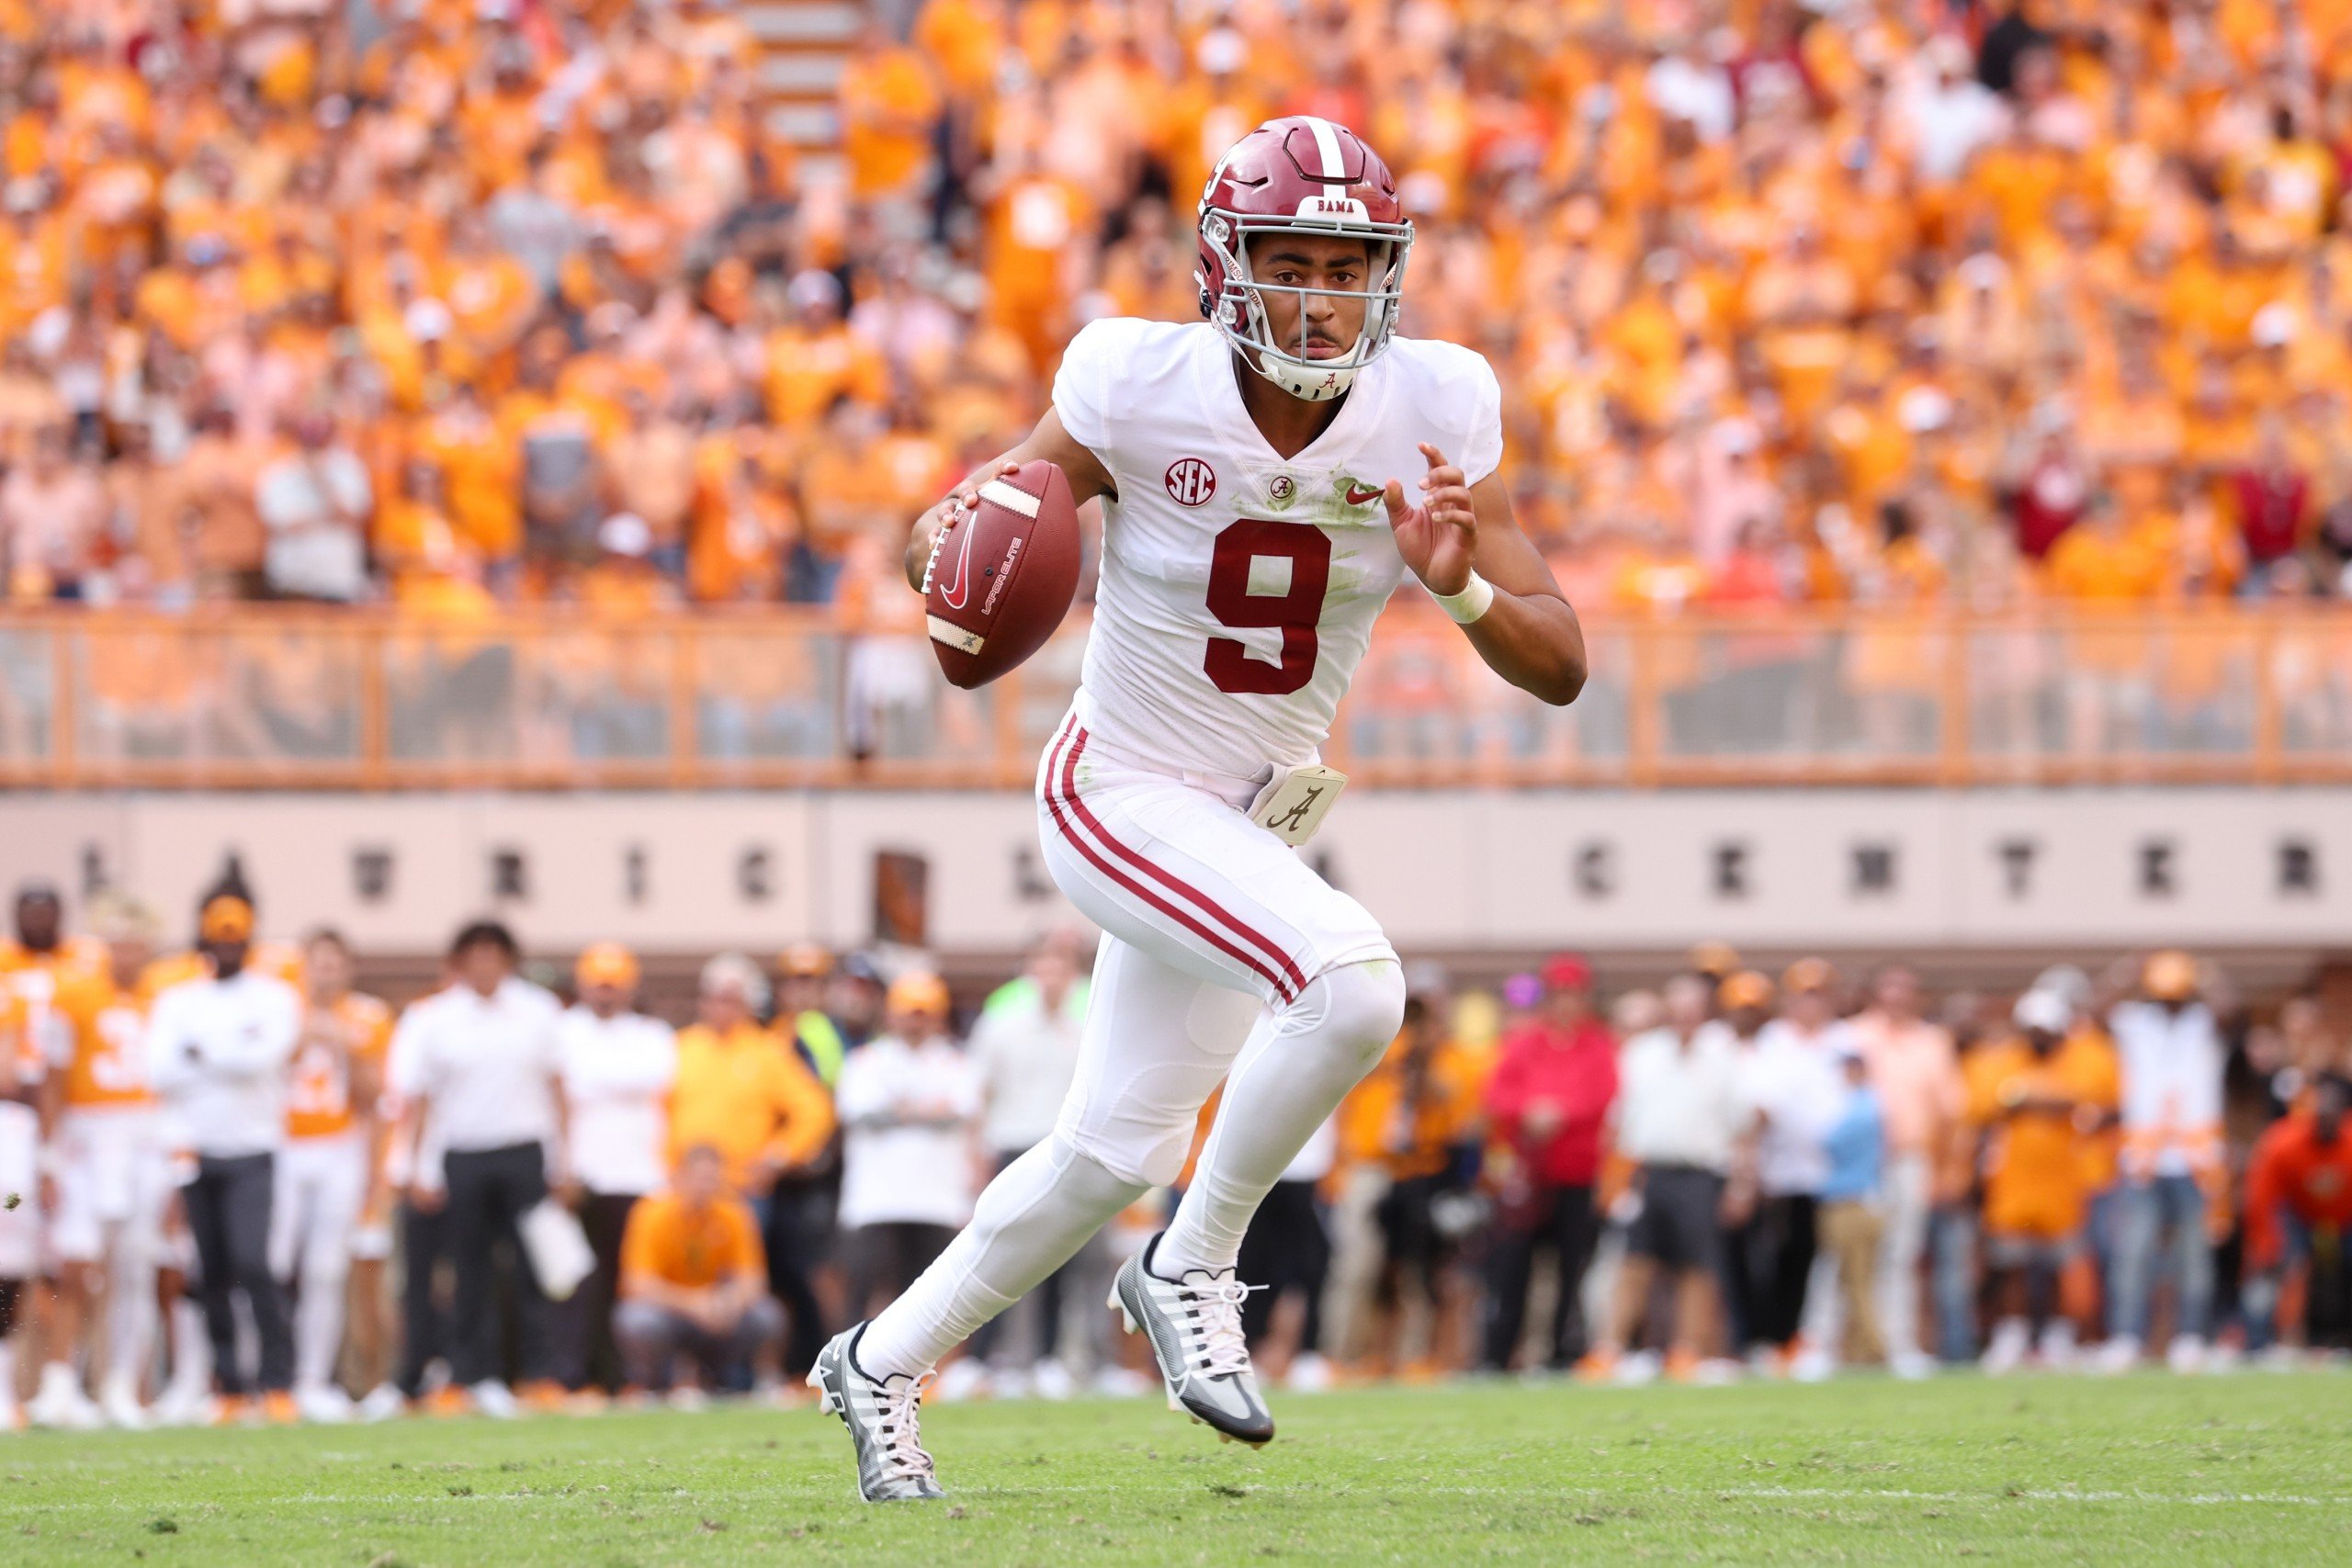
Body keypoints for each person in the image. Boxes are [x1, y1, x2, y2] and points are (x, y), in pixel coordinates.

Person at [816, 114, 1586, 1503]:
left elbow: (1562, 656)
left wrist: (1458, 583)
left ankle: (877, 1360)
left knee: (1109, 1147)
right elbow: (960, 521)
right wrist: (955, 544)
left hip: (1249, 822)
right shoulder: (1132, 380)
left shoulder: (1438, 402)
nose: (1317, 295)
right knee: (1352, 984)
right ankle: (1195, 1261)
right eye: (1288, 261)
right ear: (1224, 266)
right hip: (1119, 786)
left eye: (1346, 267)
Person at [387, 920, 574, 1416]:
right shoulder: (438, 1018)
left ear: (508, 960)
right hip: (464, 1153)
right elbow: (423, 1099)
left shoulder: (538, 1011)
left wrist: (563, 1160)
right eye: (476, 955)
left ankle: (541, 1374)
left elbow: (558, 1088)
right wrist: (418, 1165)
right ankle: (475, 1374)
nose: (485, 965)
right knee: (469, 1269)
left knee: (537, 1266)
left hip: (524, 1150)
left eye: (494, 954)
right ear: (462, 963)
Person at [143, 890, 302, 1420]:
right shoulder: (178, 1000)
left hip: (253, 1149)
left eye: (237, 936)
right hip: (195, 1150)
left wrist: (201, 1051)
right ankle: (229, 1385)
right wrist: (228, 1052)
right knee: (209, 1271)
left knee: (255, 1264)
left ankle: (278, 1381)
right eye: (220, 935)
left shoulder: (275, 996)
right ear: (206, 937)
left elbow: (264, 1059)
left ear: (249, 939)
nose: (228, 945)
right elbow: (160, 1070)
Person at [25, 895, 167, 1429]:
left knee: (135, 1267)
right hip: (88, 1134)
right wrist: (47, 1154)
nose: (127, 952)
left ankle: (123, 1385)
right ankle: (61, 1381)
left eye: (136, 942)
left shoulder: (168, 996)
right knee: (77, 1262)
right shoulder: (73, 995)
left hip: (147, 1135)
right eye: (118, 941)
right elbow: (54, 1081)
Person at [671, 952, 836, 1384]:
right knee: (687, 1279)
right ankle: (688, 1377)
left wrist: (778, 1156)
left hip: (742, 1190)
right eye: (714, 998)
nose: (721, 1007)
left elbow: (815, 1110)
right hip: (684, 1193)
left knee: (744, 1284)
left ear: (747, 1003)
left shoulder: (767, 1051)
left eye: (731, 998)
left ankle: (740, 1373)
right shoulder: (682, 1047)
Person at [1583, 975, 1750, 1384]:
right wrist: (1615, 1176)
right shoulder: (1644, 1052)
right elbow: (1622, 1116)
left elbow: (1740, 1123)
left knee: (1696, 1266)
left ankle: (1689, 1349)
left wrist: (1741, 1183)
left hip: (1699, 1172)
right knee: (1634, 1261)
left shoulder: (1723, 1053)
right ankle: (1610, 1349)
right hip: (1648, 1170)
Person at [963, 930, 1095, 1399]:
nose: (1051, 977)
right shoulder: (1001, 1025)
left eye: (1060, 966)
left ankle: (1048, 1359)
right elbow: (978, 1098)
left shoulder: (1085, 1029)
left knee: (1057, 1258)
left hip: (1059, 1151)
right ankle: (982, 1360)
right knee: (999, 1252)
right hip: (1011, 1147)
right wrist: (975, 1162)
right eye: (1043, 965)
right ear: (1031, 971)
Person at [1336, 974, 1487, 1376]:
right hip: (1380, 1168)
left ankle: (1425, 1355)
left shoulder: (1453, 1057)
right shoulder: (1385, 1050)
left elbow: (1460, 1117)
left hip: (1429, 1172)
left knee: (1428, 1273)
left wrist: (1427, 1064)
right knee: (1371, 1270)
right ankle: (1364, 1353)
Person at [269, 930, 392, 1424]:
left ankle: (312, 1378)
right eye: (318, 962)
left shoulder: (366, 1017)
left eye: (335, 963)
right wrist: (300, 1038)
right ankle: (268, 1377)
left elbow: (375, 1097)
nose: (326, 972)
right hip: (281, 1145)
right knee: (273, 1265)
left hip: (340, 1147)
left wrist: (347, 1048)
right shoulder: (277, 1009)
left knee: (326, 1268)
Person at [1480, 953, 1617, 1373]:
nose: (1566, 1003)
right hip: (1530, 1177)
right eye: (1559, 994)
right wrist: (1529, 1111)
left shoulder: (1598, 1045)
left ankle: (1563, 1351)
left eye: (1573, 994)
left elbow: (1604, 1096)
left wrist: (1559, 1113)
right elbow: (1496, 1095)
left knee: (1570, 1269)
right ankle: (1500, 1355)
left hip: (1575, 1175)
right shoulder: (1525, 1043)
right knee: (1513, 1267)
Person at [2098, 951, 2231, 1373]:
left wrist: (2205, 975)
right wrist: (2124, 974)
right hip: (2145, 1157)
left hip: (2195, 1157)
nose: (2170, 1003)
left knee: (2195, 1256)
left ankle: (2190, 1337)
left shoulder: (2203, 1023)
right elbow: (2095, 1013)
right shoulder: (2136, 1023)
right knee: (2133, 1253)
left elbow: (2232, 1011)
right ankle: (2126, 1337)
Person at [1972, 989, 2117, 1374]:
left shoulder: (2078, 1061)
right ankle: (2012, 1335)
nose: (2040, 1038)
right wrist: (2042, 1102)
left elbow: (2090, 1105)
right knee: (2011, 1266)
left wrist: (2030, 1101)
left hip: (2061, 1182)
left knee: (2059, 1267)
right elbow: (1989, 1104)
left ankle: (2057, 1336)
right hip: (2014, 1181)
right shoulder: (2005, 1060)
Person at [557, 942, 677, 1396]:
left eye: (613, 985)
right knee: (576, 1284)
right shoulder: (563, 1030)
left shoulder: (652, 1034)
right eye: (598, 985)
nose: (605, 994)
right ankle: (575, 1377)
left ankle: (627, 1377)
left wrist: (591, 1083)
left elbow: (653, 1077)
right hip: (580, 1176)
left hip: (639, 1177)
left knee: (628, 1284)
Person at [833, 973, 979, 1323]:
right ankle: (850, 1360)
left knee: (929, 1296)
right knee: (862, 1287)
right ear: (891, 1015)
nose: (916, 1022)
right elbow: (860, 1113)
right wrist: (927, 1110)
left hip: (936, 1200)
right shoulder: (867, 1060)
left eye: (924, 1013)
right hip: (874, 1199)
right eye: (909, 1012)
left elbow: (959, 1112)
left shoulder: (956, 1062)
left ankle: (923, 1372)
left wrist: (899, 1110)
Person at [1848, 963, 1961, 1379]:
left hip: (1910, 1158)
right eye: (1889, 988)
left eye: (1904, 989)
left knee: (1902, 1253)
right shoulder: (1854, 1035)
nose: (1896, 997)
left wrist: (1948, 1170)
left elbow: (1950, 1112)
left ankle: (1898, 1344)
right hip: (1859, 1162)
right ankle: (1833, 1344)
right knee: (1847, 1254)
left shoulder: (1932, 1041)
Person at [613, 1144, 785, 1401]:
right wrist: (693, 1303)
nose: (707, 1186)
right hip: (671, 1312)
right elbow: (637, 1284)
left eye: (713, 1179)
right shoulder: (652, 1213)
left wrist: (728, 1301)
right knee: (637, 1318)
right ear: (679, 1177)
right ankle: (652, 1383)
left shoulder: (732, 1212)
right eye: (700, 1178)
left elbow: (753, 1280)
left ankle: (740, 1378)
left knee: (767, 1314)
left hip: (718, 1312)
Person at [2243, 1072, 2352, 1357]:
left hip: (2345, 1218)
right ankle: (2266, 1340)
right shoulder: (2283, 1141)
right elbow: (2262, 1197)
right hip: (2299, 1216)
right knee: (2280, 1266)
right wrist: (2266, 1242)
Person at [1815, 1045, 1888, 1371]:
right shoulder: (1866, 1106)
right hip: (1862, 1198)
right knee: (1855, 1277)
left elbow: (1827, 1142)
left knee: (1856, 1279)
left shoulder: (1859, 1108)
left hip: (1850, 1201)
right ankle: (1855, 1350)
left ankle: (1874, 1346)